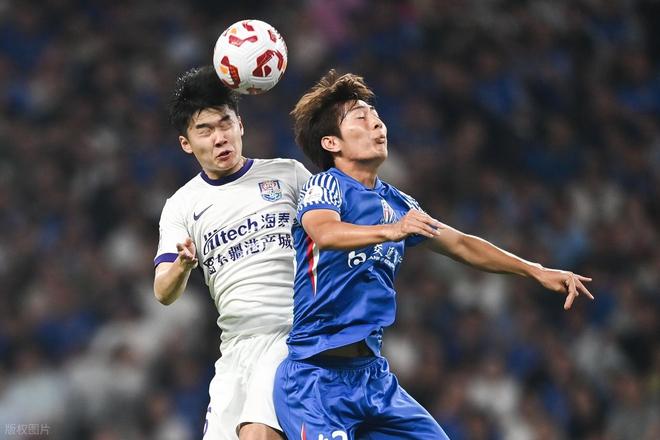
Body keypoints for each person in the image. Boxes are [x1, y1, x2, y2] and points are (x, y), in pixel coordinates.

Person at [273, 70, 594, 439]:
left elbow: (461, 244)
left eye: (377, 116)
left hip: (372, 378)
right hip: (315, 378)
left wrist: (534, 270)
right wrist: (391, 231)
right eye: (360, 118)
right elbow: (324, 233)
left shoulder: (397, 203)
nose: (377, 124)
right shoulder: (327, 185)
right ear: (331, 142)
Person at [154, 66, 310, 440]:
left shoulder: (289, 175)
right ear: (186, 143)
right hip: (235, 351)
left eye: (225, 124)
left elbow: (334, 231)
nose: (219, 137)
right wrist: (182, 266)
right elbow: (162, 292)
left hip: (290, 334)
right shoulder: (181, 206)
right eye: (205, 130)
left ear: (241, 125)